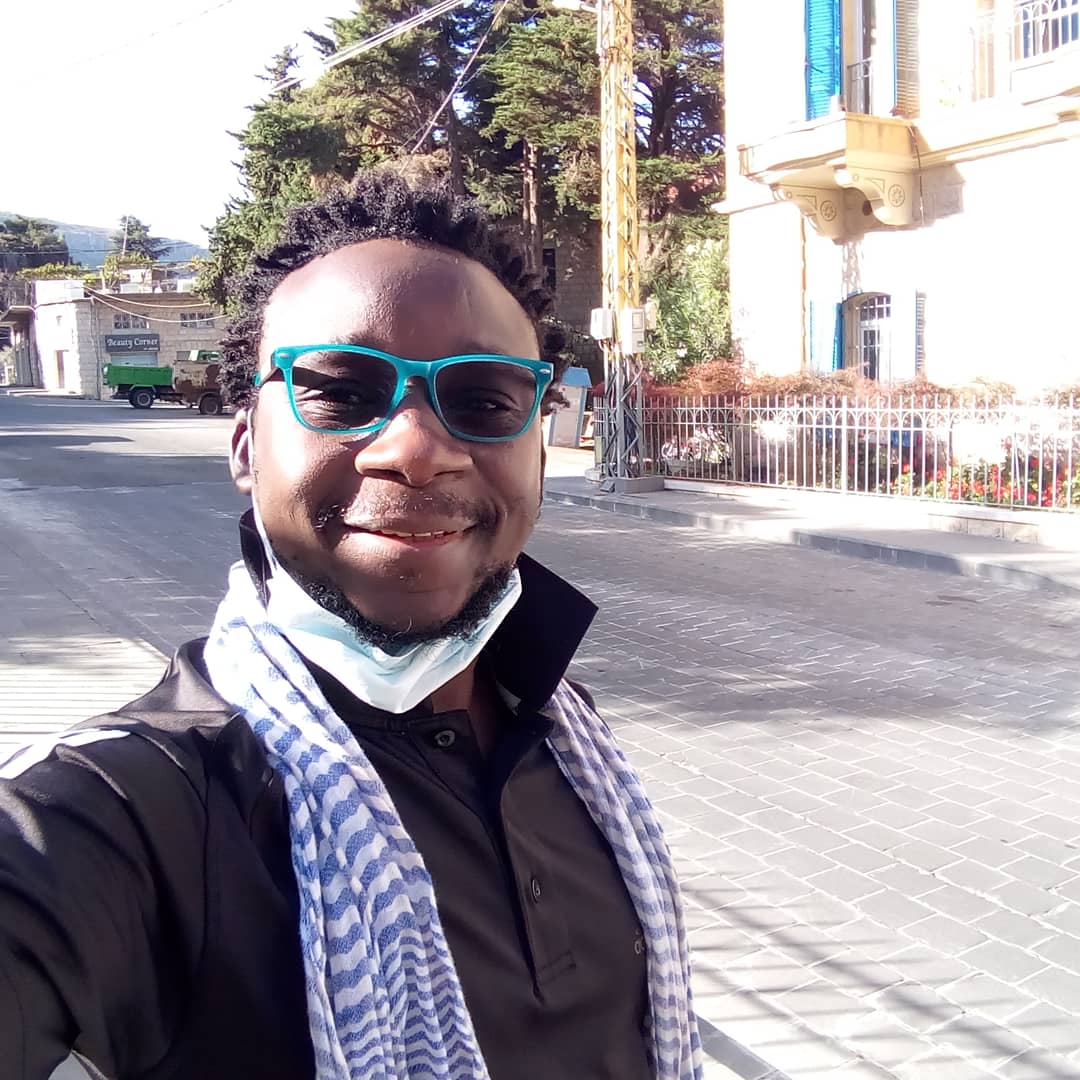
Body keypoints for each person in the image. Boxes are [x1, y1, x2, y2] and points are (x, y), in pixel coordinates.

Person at [0, 170, 701, 1080]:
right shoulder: (137, 810)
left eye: (485, 400)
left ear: (538, 446)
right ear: (247, 444)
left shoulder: (567, 733)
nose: (416, 449)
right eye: (341, 390)